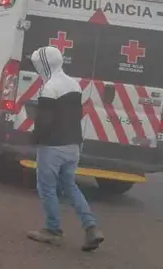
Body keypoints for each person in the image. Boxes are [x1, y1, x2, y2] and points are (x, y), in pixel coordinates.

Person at [26, 46, 105, 251]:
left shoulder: (49, 88)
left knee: (47, 188)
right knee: (70, 186)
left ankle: (53, 230)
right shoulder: (75, 85)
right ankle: (91, 227)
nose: (36, 69)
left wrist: (33, 138)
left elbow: (45, 120)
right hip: (73, 146)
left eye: (37, 65)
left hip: (52, 147)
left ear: (44, 64)